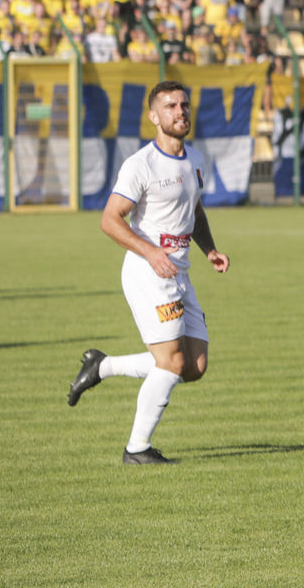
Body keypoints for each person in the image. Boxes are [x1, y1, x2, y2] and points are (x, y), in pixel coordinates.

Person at [67, 81, 230, 464]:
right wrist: (151, 252)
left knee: (194, 366)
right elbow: (110, 220)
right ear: (153, 116)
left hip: (179, 271)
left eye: (184, 104)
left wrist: (209, 249)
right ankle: (137, 449)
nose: (180, 111)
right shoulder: (141, 165)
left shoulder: (196, 159)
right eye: (170, 106)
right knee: (171, 362)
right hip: (148, 273)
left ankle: (103, 366)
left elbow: (195, 211)